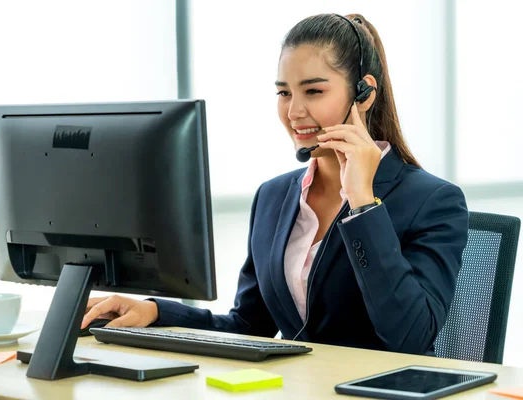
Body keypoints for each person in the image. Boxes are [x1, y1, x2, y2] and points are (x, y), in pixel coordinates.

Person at [81, 13, 468, 356]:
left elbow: (411, 338)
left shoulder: (433, 201)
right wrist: (156, 310)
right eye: (284, 93)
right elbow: (250, 326)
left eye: (314, 91)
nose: (294, 112)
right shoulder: (274, 197)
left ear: (363, 93)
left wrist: (364, 203)